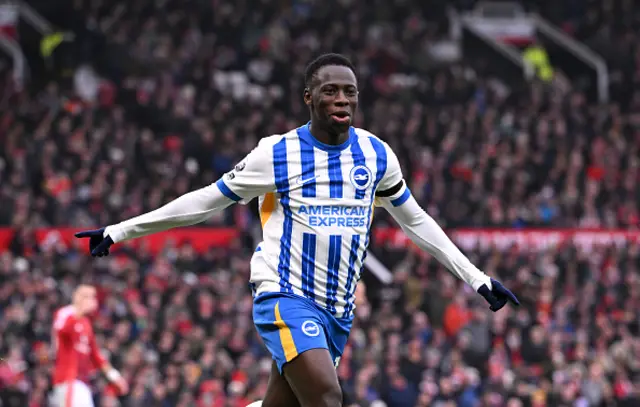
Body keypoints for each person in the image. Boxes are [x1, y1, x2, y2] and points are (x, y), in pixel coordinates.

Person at [75, 53, 519, 407]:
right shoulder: (278, 154)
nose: (342, 99)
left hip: (338, 311)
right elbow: (207, 200)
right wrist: (121, 230)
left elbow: (416, 220)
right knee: (326, 398)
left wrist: (476, 279)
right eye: (331, 91)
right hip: (285, 296)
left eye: (350, 92)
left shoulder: (377, 156)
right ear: (309, 97)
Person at [50, 285, 129, 407]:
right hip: (67, 380)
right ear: (80, 298)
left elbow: (96, 356)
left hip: (82, 383)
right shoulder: (65, 313)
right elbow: (60, 331)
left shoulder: (86, 323)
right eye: (90, 298)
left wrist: (115, 376)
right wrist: (78, 312)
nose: (94, 302)